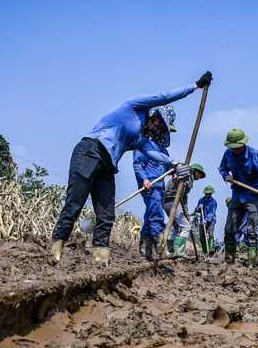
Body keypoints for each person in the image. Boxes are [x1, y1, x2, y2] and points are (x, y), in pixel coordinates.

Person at [50, 71, 213, 265]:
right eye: (159, 123)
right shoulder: (133, 107)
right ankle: (56, 248)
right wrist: (194, 86)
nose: (157, 128)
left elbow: (152, 154)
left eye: (160, 129)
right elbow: (163, 97)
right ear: (155, 115)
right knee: (75, 202)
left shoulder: (141, 139)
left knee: (107, 213)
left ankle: (100, 259)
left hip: (108, 166)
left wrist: (175, 164)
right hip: (90, 151)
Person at [219, 128, 258, 268]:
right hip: (237, 195)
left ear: (243, 144)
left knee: (251, 230)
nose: (235, 150)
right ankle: (229, 261)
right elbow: (222, 168)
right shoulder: (228, 154)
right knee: (229, 228)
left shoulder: (254, 155)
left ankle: (252, 263)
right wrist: (226, 176)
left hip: (253, 196)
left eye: (237, 147)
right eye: (232, 148)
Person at [132, 105, 175, 261]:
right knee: (156, 215)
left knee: (150, 216)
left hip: (159, 184)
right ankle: (161, 249)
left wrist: (176, 172)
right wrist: (144, 179)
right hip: (150, 184)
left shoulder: (161, 147)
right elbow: (137, 164)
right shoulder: (144, 142)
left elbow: (169, 163)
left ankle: (145, 250)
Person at [164, 163, 206, 257]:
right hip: (172, 201)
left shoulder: (187, 181)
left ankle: (171, 251)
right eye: (200, 175)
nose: (199, 177)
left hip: (168, 203)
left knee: (177, 228)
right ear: (196, 172)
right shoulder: (185, 175)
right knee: (186, 227)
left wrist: (187, 215)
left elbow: (184, 200)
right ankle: (179, 252)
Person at [195, 185, 218, 254]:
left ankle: (211, 249)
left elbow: (212, 212)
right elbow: (196, 210)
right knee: (202, 237)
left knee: (211, 234)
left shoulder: (213, 202)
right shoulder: (201, 200)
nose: (208, 195)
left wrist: (207, 220)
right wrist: (199, 207)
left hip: (211, 221)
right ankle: (205, 251)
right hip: (202, 221)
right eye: (207, 193)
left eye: (209, 194)